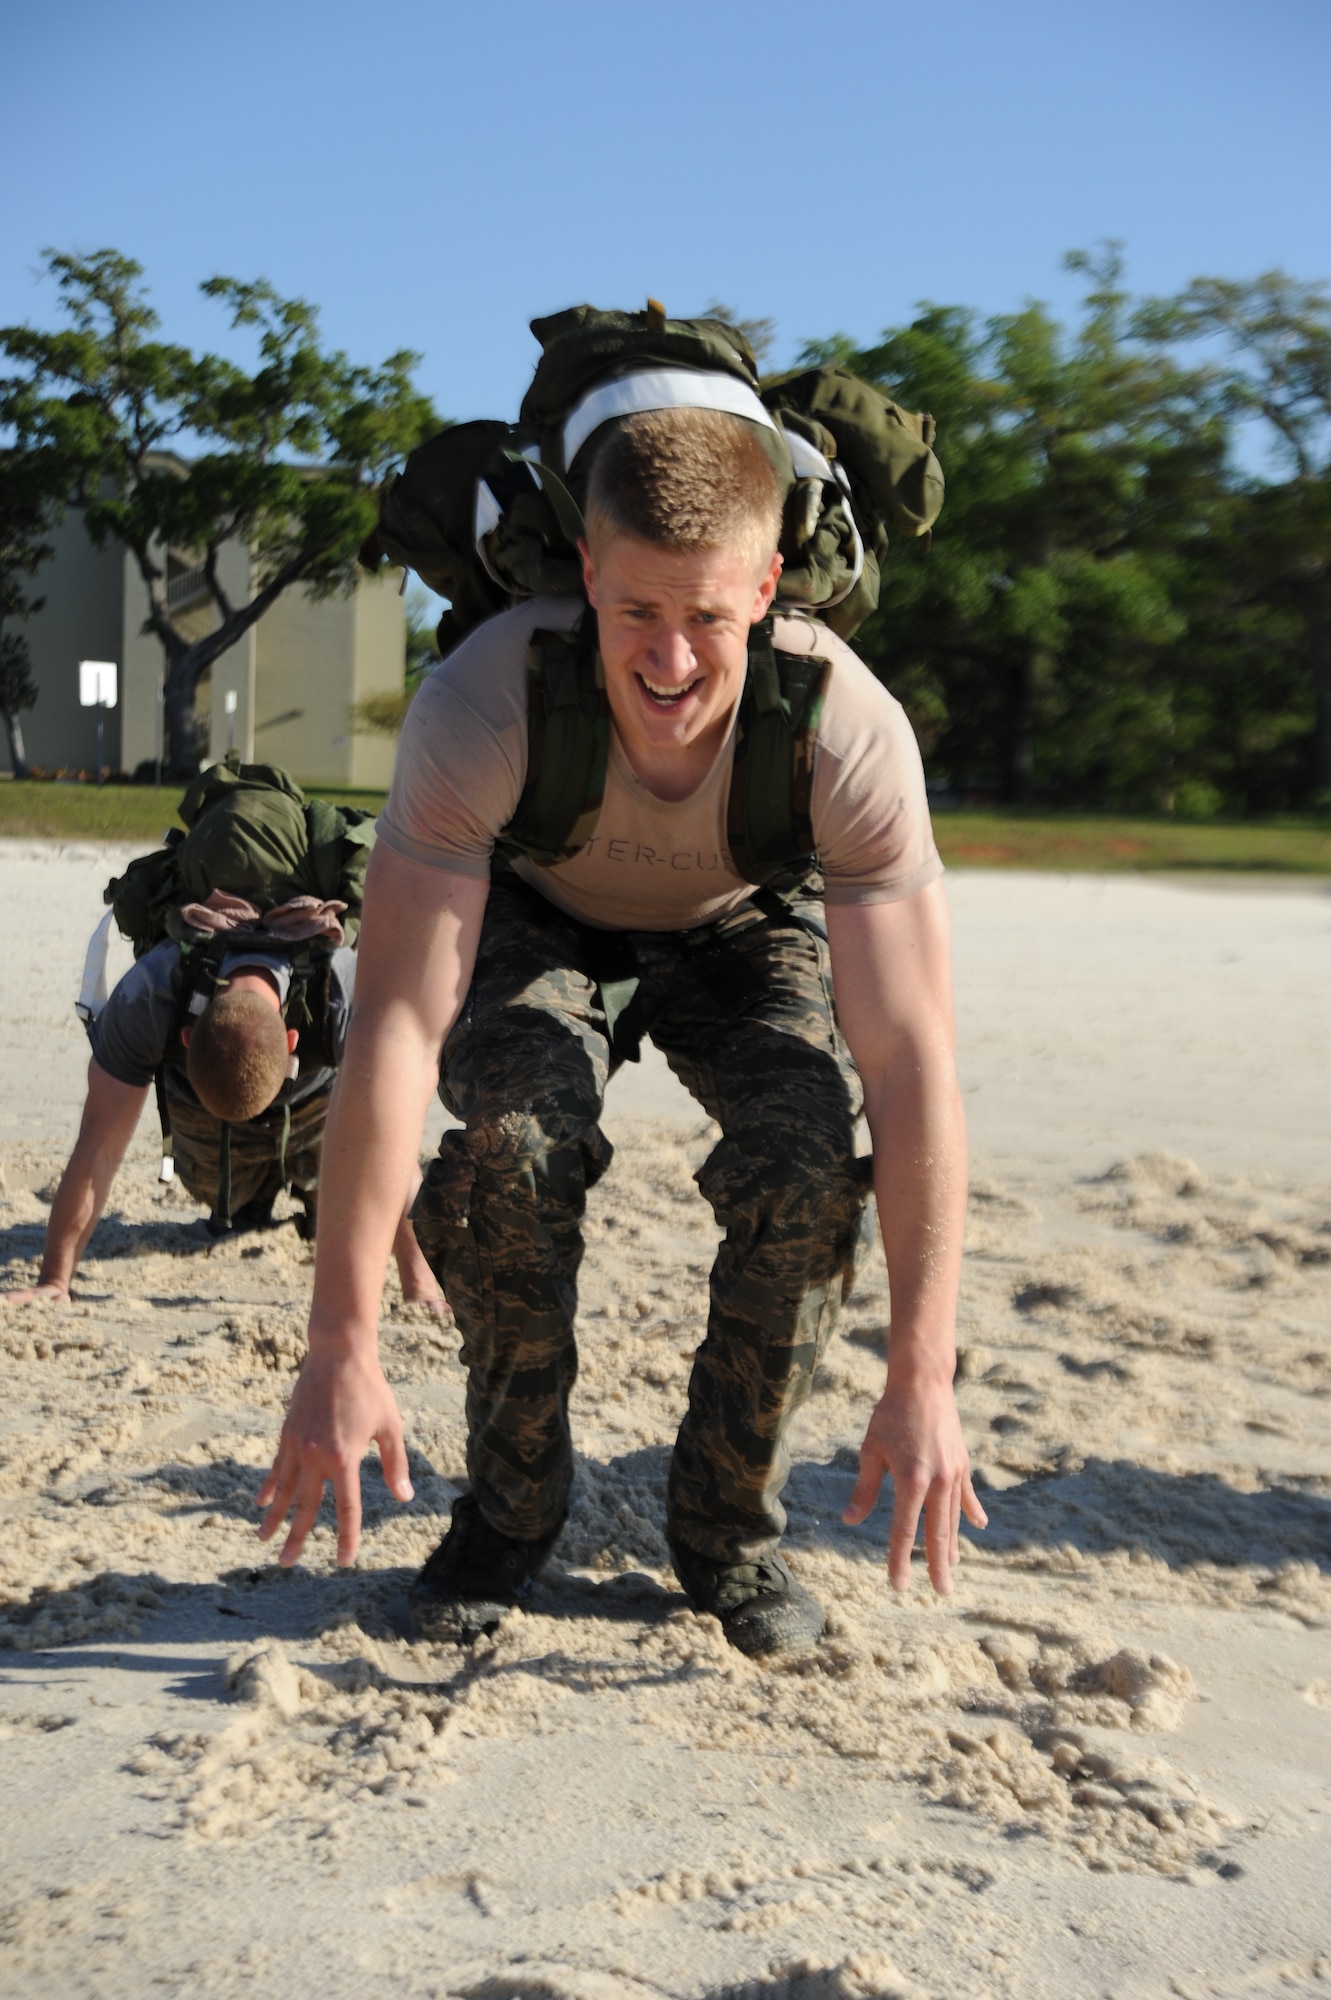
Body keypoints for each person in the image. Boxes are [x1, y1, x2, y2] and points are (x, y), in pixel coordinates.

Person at [258, 405, 986, 1656]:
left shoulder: (843, 731)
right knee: (505, 1158)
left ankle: (724, 1532)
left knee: (806, 1163)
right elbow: (390, 1025)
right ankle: (508, 1512)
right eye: (636, 610)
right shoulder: (484, 708)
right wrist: (339, 1341)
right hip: (537, 911)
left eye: (706, 615)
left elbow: (910, 1060)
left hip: (740, 923)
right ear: (585, 573)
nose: (669, 659)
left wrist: (921, 1371)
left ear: (766, 587)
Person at [2, 933, 440, 1309]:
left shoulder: (345, 991)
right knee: (226, 1200)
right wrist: (55, 1281)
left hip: (314, 1116)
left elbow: (390, 1143)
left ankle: (312, 1194)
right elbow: (97, 1146)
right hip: (213, 1142)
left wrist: (419, 1284)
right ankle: (242, 1201)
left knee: (341, 1198)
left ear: (293, 1041)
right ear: (188, 1037)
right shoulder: (151, 995)